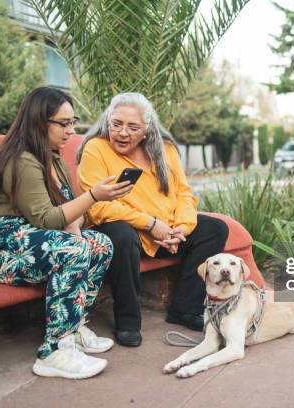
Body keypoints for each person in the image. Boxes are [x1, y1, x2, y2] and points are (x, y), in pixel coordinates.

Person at [0, 87, 133, 379]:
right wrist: (94, 196)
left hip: (25, 236)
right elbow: (46, 218)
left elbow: (66, 211)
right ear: (40, 122)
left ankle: (74, 328)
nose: (71, 130)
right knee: (73, 249)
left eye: (72, 122)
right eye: (63, 123)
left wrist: (79, 228)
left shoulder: (54, 160)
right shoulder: (21, 159)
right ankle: (54, 351)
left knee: (100, 243)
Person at [76, 93, 229, 347]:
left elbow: (184, 194)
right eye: (116, 124)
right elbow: (98, 208)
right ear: (107, 122)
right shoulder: (95, 148)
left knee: (215, 229)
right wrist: (151, 225)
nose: (122, 133)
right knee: (121, 235)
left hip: (166, 231)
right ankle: (127, 321)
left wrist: (180, 228)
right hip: (128, 232)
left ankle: (184, 308)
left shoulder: (166, 150)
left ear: (146, 130)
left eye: (132, 127)